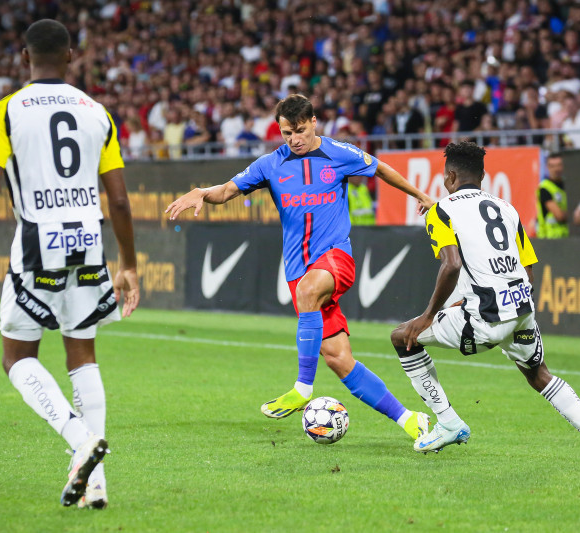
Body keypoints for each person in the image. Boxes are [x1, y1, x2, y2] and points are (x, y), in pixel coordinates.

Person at [166, 94, 433, 441]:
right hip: (299, 273)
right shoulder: (269, 165)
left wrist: (421, 195)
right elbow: (228, 190)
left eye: (301, 131)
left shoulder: (339, 153)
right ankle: (410, 420)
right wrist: (202, 191)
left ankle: (303, 388)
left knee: (309, 290)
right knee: (340, 360)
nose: (295, 139)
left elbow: (380, 168)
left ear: (314, 123)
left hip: (336, 258)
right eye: (287, 133)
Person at [0, 19, 140, 509]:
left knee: (17, 357)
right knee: (83, 354)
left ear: (23, 55)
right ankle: (96, 483)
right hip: (89, 242)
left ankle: (81, 442)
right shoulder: (97, 112)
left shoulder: (7, 109)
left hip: (38, 242)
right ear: (72, 56)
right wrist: (129, 264)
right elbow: (118, 201)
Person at [391, 142, 580, 464]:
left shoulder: (440, 211)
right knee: (540, 374)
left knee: (403, 337)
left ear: (450, 176)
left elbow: (452, 264)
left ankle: (448, 422)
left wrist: (429, 315)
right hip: (520, 308)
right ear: (483, 175)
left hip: (484, 319)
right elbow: (527, 266)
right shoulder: (507, 208)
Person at [535, 152, 569, 238]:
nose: (556, 169)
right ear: (547, 167)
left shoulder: (568, 185)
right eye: (552, 166)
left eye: (559, 165)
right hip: (549, 238)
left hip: (566, 236)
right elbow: (559, 216)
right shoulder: (545, 188)